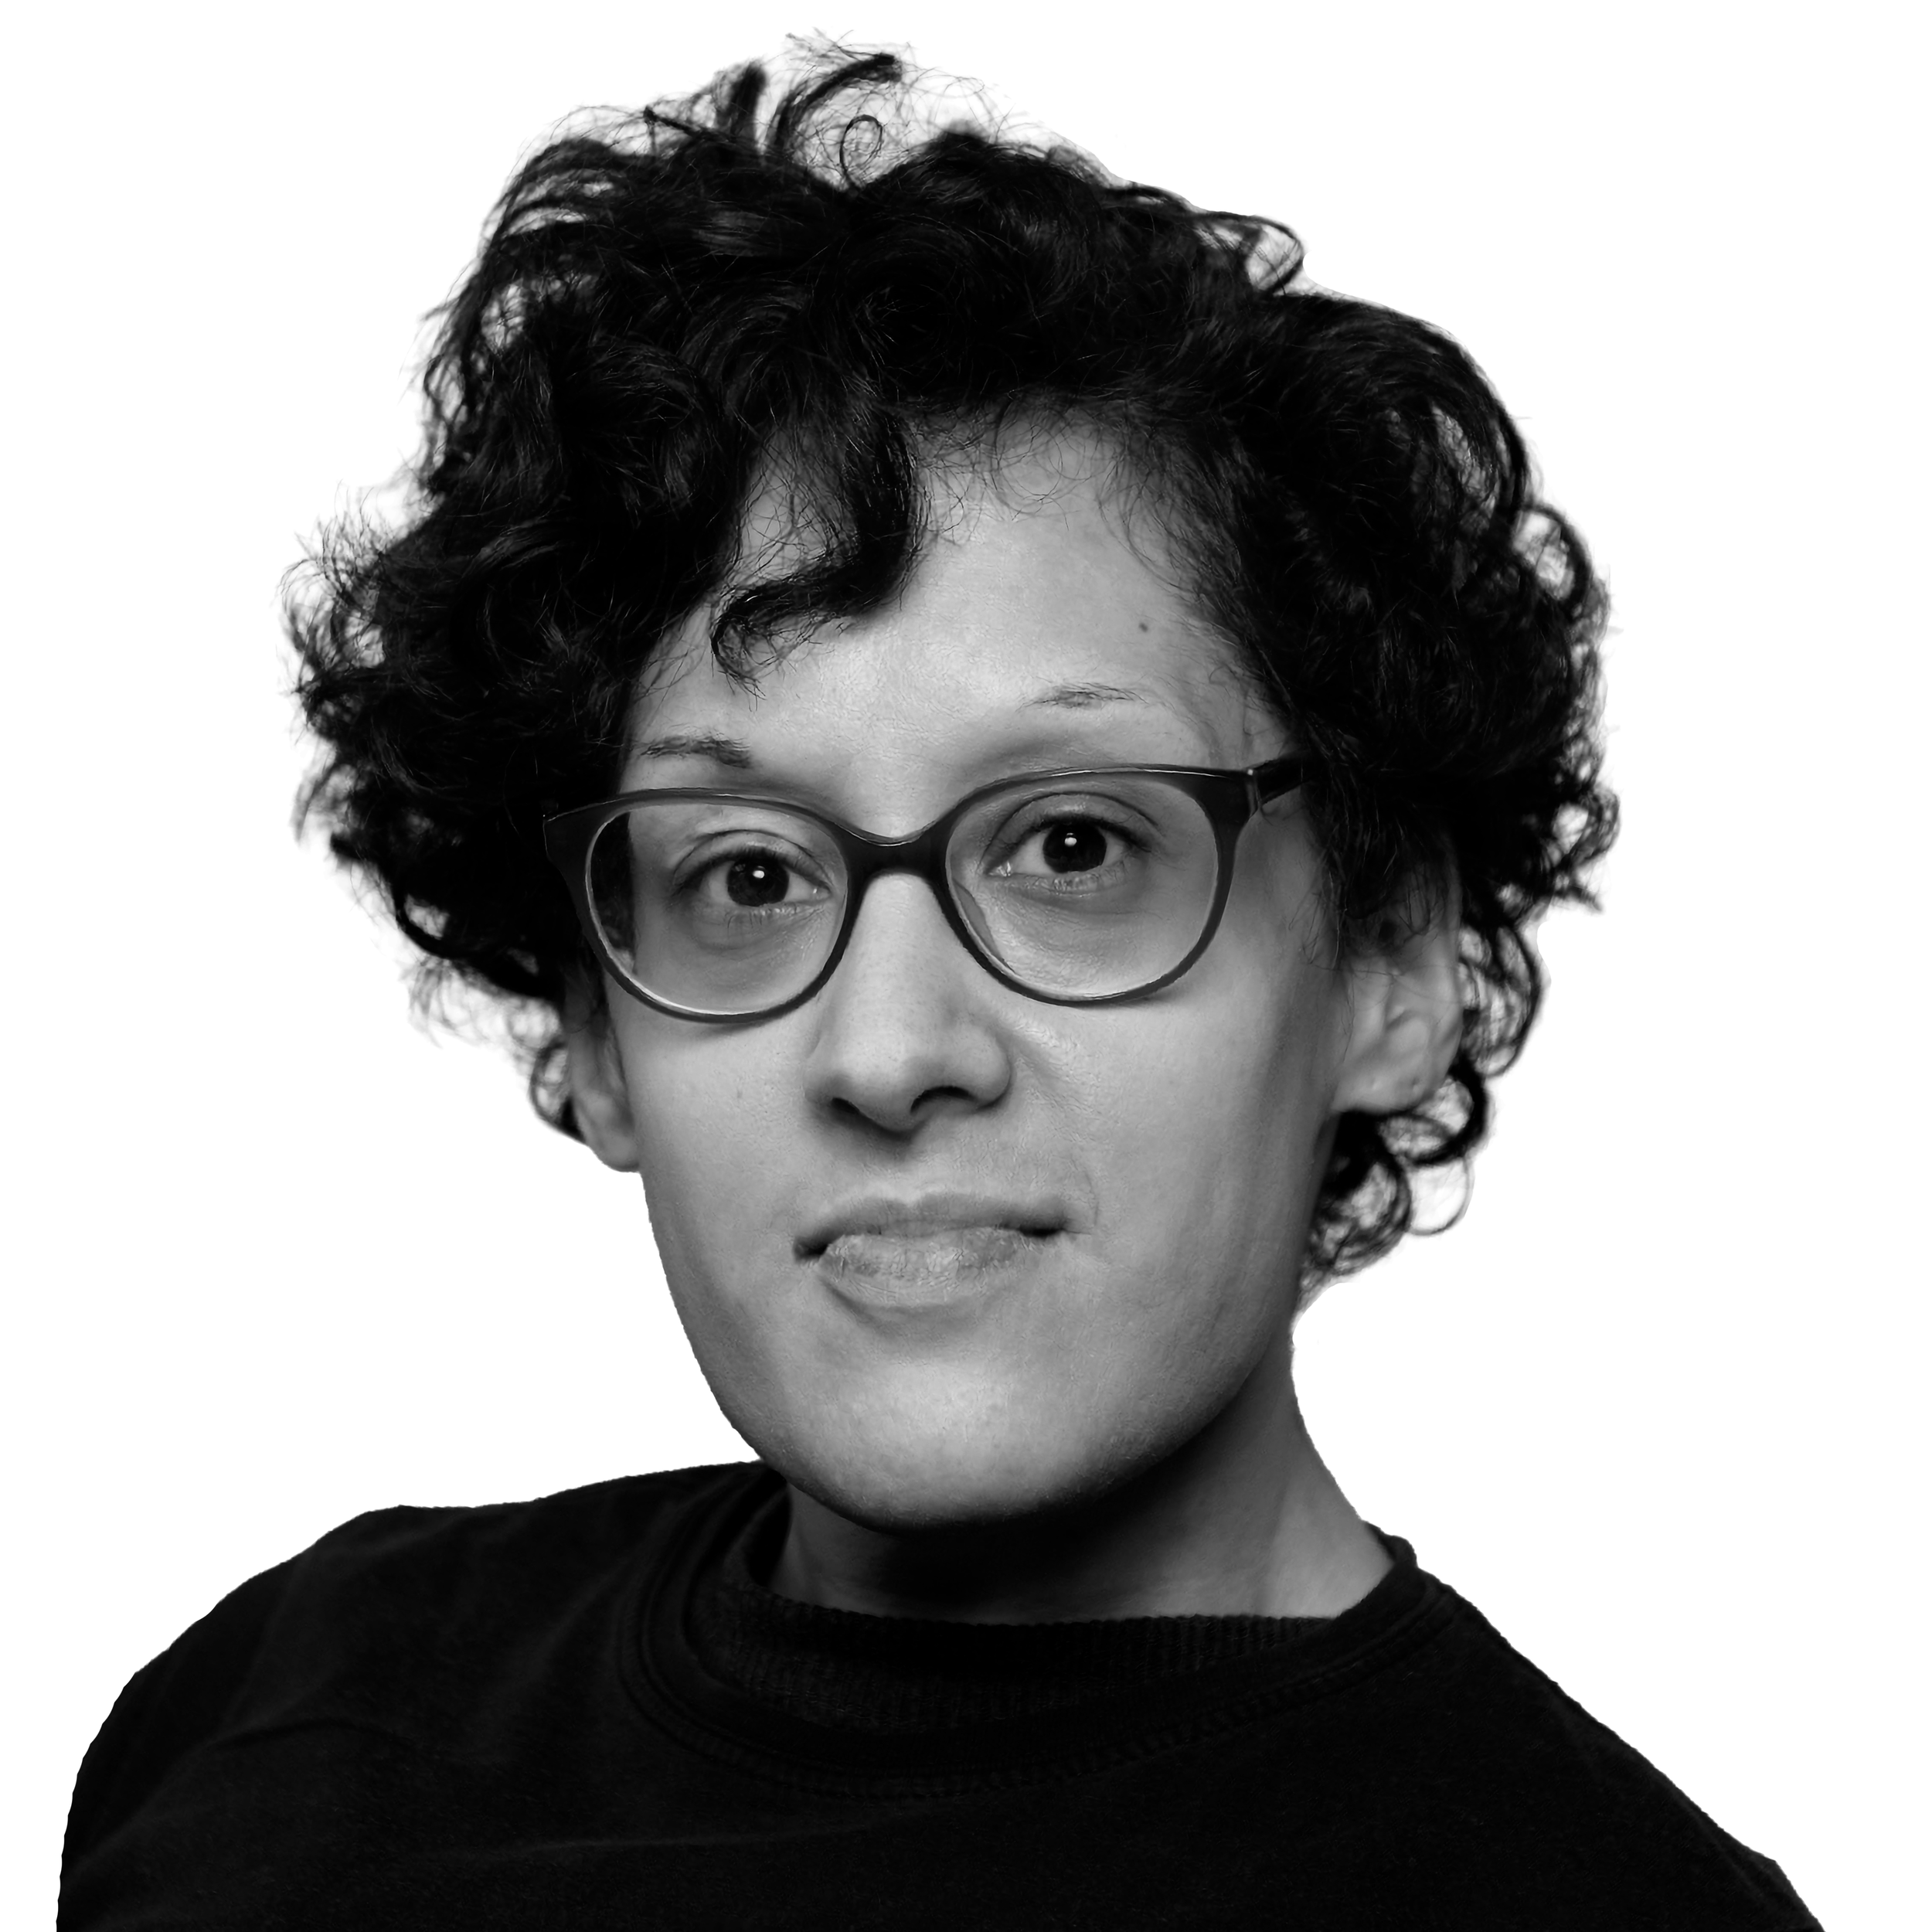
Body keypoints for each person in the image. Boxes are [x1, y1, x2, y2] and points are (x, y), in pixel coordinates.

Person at [60, 47, 1820, 1930]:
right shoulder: (294, 1704)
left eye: (1072, 846)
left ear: (1390, 957)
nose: (892, 1050)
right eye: (743, 873)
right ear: (591, 1026)